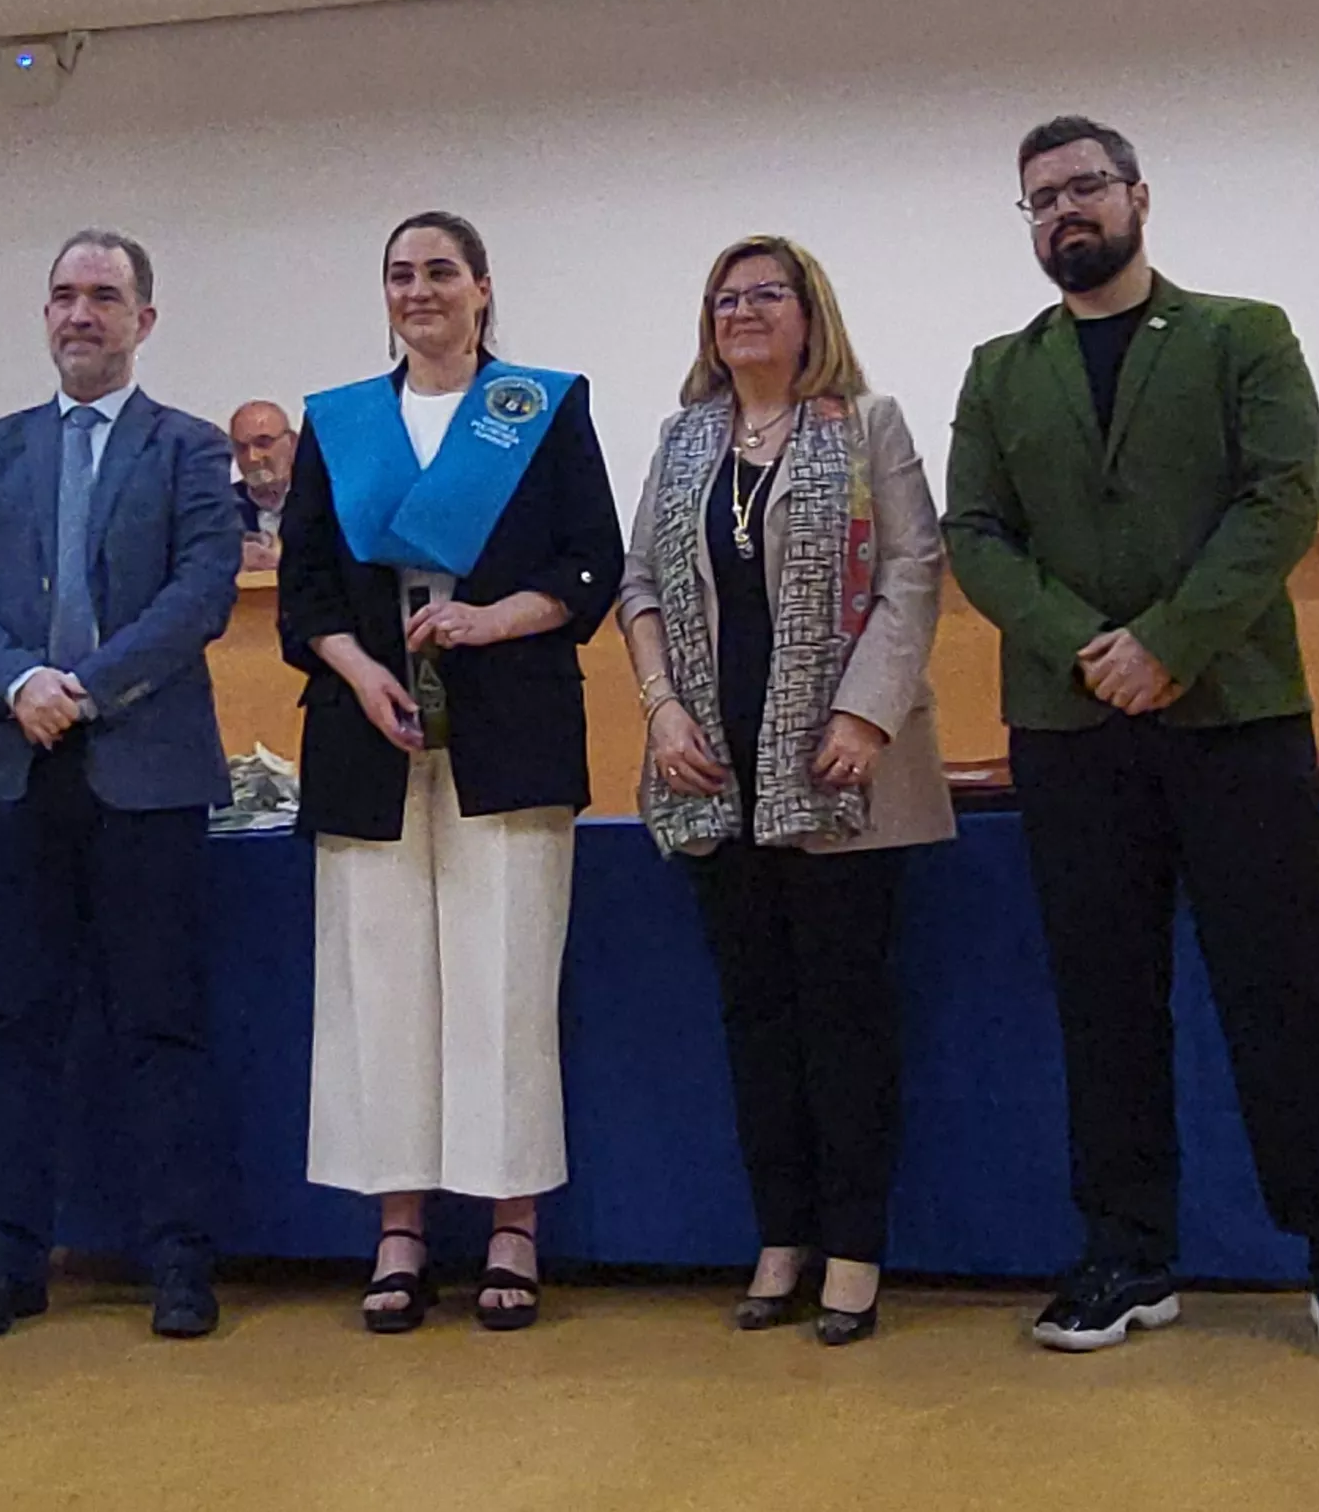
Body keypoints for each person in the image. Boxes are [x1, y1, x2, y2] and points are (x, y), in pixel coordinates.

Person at [943, 116, 1319, 1363]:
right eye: (1038, 200)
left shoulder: (1240, 334)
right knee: (1104, 1003)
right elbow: (974, 534)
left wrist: (1169, 642)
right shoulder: (998, 369)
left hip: (1232, 715)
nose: (1062, 214)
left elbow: (1280, 497)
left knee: (1286, 990)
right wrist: (1090, 643)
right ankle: (1126, 1256)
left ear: (1139, 196)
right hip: (1068, 727)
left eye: (1084, 188)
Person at [278, 211, 622, 1333]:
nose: (418, 290)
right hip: (368, 738)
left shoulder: (543, 405)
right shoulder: (337, 423)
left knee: (505, 979)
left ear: (483, 287)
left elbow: (591, 563)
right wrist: (359, 671)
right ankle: (399, 1226)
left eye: (440, 272)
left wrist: (491, 622)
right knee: (379, 987)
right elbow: (308, 592)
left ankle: (512, 1221)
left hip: (510, 729)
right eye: (399, 274)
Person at [617, 236, 954, 1347]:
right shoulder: (682, 440)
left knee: (847, 1024)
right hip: (714, 776)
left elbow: (913, 570)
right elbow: (639, 585)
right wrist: (661, 706)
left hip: (842, 775)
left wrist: (864, 712)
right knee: (755, 1022)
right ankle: (781, 1236)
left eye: (768, 293)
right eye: (725, 296)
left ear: (812, 315)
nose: (744, 311)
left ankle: (853, 1248)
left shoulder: (867, 426)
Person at [0, 230, 244, 1342]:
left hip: (144, 777)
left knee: (162, 1024)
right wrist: (17, 682)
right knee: (12, 1024)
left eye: (104, 296)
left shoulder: (190, 448)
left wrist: (86, 688)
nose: (80, 314)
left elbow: (202, 591)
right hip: (14, 773)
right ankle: (9, 1258)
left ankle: (178, 1260)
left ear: (143, 319)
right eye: (63, 295)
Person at [229, 399, 298, 572]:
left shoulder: (322, 499)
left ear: (292, 443)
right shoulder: (221, 508)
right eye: (241, 447)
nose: (252, 457)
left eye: (263, 443)